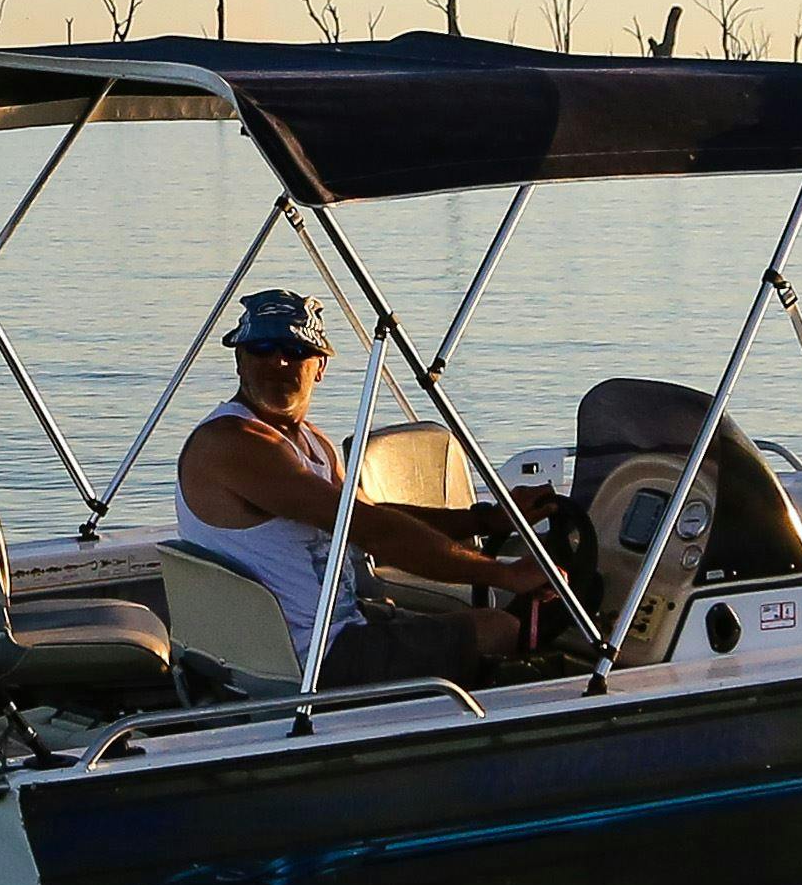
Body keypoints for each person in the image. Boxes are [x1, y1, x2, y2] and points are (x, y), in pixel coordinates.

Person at [170, 289, 563, 686]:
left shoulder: (311, 443)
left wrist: (490, 518)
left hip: (337, 629)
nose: (280, 361)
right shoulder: (233, 443)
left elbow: (372, 514)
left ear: (320, 365)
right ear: (239, 360)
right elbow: (376, 533)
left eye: (296, 348)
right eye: (262, 348)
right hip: (308, 660)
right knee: (498, 630)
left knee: (491, 624)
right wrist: (505, 575)